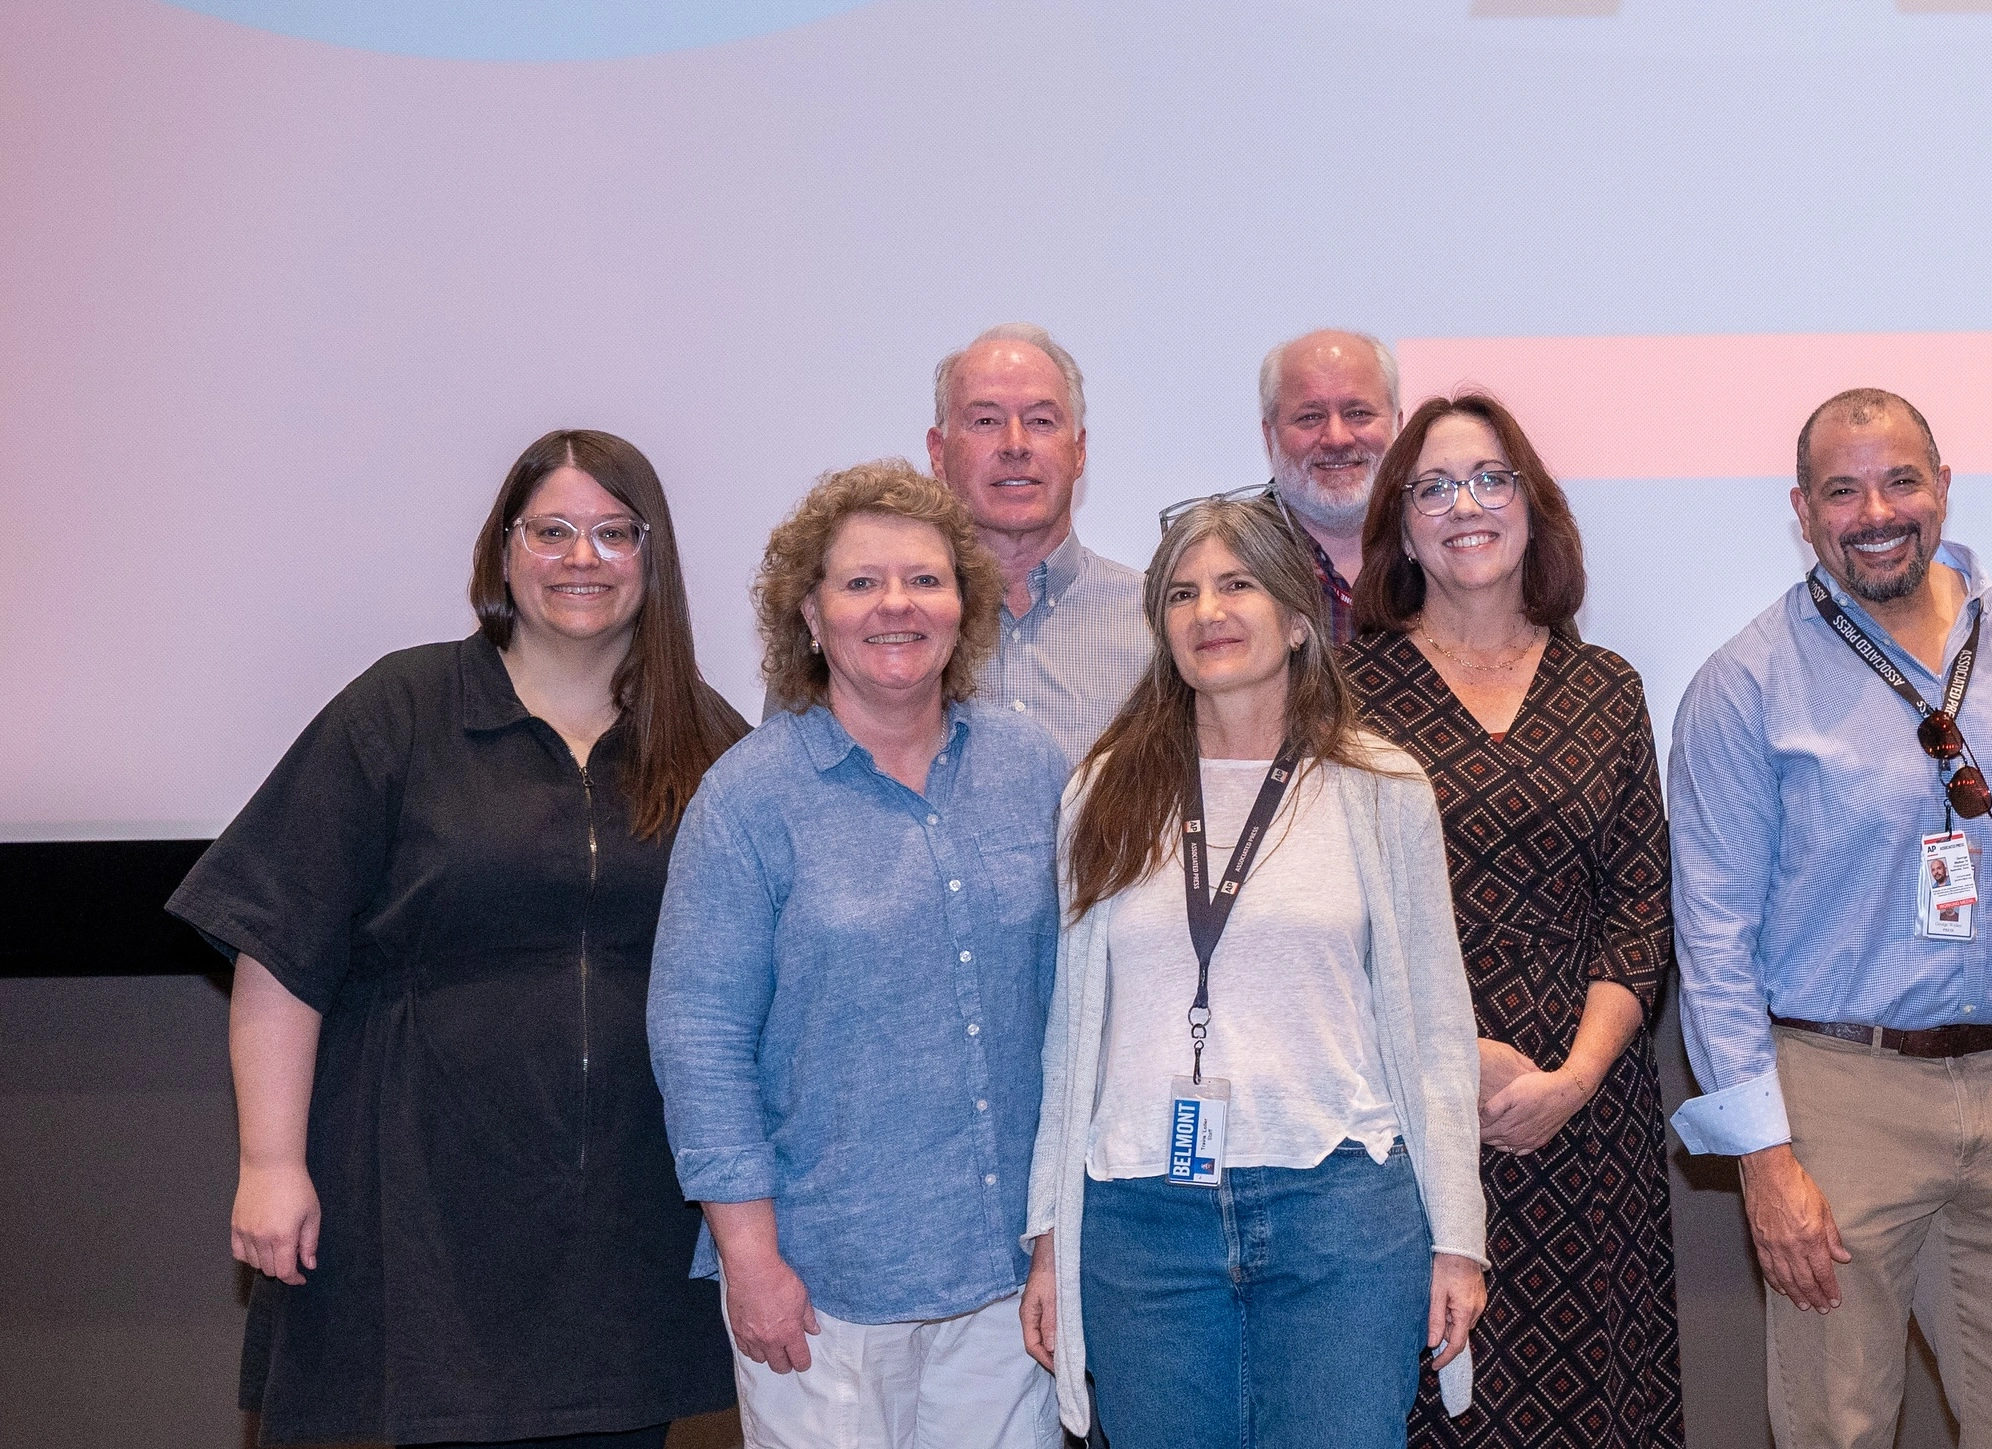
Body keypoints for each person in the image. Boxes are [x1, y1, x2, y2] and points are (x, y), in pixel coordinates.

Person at [171, 430, 752, 1449]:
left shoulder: (707, 739)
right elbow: (277, 943)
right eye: (554, 530)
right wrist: (270, 1159)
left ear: (652, 559)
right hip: (420, 1219)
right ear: (503, 552)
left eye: (615, 532)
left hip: (625, 1232)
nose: (584, 556)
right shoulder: (400, 709)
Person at [1668, 389, 1992, 1449]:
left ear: (1943, 487)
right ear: (1802, 511)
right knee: (1835, 1427)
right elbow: (1712, 936)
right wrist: (1762, 1157)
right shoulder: (1743, 682)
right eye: (1842, 488)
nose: (1876, 510)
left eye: (1900, 479)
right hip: (1836, 1095)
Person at [1021, 494, 1487, 1449]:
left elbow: (1439, 1028)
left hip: (1339, 1214)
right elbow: (1069, 1035)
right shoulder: (1101, 790)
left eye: (1237, 584)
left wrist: (1458, 1236)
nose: (1208, 611)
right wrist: (1049, 1236)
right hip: (1142, 1218)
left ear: (1299, 616)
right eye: (1182, 593)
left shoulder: (1381, 787)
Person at [650, 462, 1071, 1449]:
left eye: (925, 579)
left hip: (1005, 1286)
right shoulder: (746, 800)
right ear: (808, 612)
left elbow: (1072, 1020)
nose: (896, 604)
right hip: (818, 1285)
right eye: (860, 582)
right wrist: (748, 1259)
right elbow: (699, 1042)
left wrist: (1058, 1242)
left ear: (964, 606)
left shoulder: (1033, 769)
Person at [1344, 394, 1681, 1449]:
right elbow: (1329, 918)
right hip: (1408, 1117)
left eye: (1490, 478)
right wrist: (1453, 1055)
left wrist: (1572, 1078)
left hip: (1588, 1122)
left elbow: (1640, 907)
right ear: (1401, 525)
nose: (1465, 504)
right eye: (1434, 486)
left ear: (1533, 508)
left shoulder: (1605, 686)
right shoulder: (1342, 697)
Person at [929, 322, 1148, 761]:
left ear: (1079, 451)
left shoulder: (1156, 623)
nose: (1015, 444)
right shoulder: (887, 627)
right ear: (939, 453)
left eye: (1041, 421)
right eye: (986, 420)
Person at [1258, 328, 1406, 636]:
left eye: (1358, 413)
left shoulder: (1444, 548)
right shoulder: (1224, 562)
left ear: (1398, 427)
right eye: (1310, 417)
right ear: (1269, 437)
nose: (1337, 438)